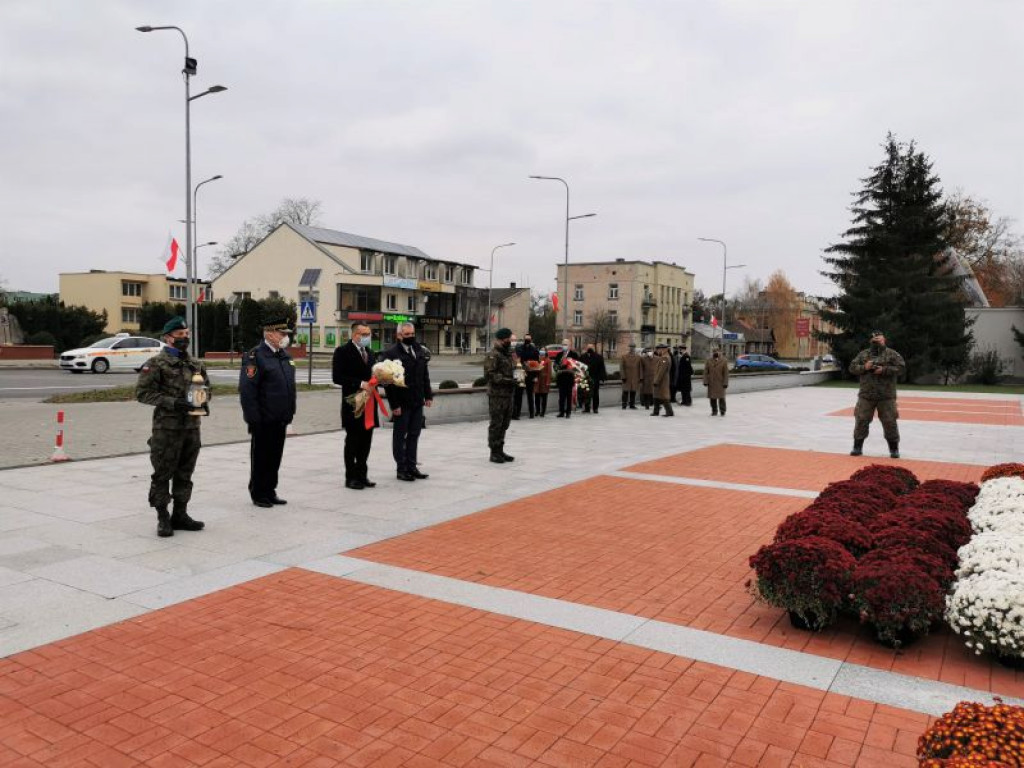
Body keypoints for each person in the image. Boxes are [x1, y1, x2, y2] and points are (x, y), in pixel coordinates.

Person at [135, 316, 208, 537]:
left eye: (186, 335)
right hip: (167, 429)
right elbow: (142, 393)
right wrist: (173, 402)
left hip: (191, 428)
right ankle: (163, 517)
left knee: (185, 473)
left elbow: (206, 387)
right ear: (168, 338)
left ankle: (180, 514)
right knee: (162, 473)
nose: (184, 339)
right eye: (179, 335)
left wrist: (204, 401)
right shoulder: (156, 364)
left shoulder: (195, 364)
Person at [239, 315, 297, 508]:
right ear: (270, 334)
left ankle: (270, 490)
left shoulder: (283, 355)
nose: (285, 336)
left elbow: (289, 387)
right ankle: (258, 492)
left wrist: (290, 412)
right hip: (263, 419)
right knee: (261, 457)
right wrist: (253, 419)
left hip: (280, 417)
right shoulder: (256, 356)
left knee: (275, 456)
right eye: (282, 333)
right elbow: (248, 391)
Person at [381, 322, 433, 481]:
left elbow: (424, 374)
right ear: (399, 336)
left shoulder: (419, 349)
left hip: (417, 401)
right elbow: (388, 383)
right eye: (407, 334)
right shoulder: (390, 354)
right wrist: (394, 405)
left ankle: (412, 466)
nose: (411, 337)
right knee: (400, 436)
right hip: (402, 403)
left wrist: (428, 395)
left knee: (414, 434)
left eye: (412, 334)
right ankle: (401, 468)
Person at [332, 323, 380, 490]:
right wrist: (360, 383)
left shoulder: (370, 353)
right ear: (354, 334)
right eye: (363, 333)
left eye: (369, 334)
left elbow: (373, 375)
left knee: (366, 442)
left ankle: (362, 474)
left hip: (369, 404)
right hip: (353, 404)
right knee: (353, 442)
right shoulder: (342, 352)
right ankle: (350, 477)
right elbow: (337, 377)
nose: (367, 337)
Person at [848, 330, 906, 458]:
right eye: (874, 340)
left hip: (886, 396)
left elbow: (901, 368)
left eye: (879, 340)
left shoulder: (892, 354)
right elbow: (852, 368)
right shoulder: (863, 354)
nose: (876, 342)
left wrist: (884, 370)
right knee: (861, 420)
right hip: (866, 396)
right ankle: (857, 447)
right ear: (870, 341)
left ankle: (894, 449)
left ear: (884, 340)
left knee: (890, 422)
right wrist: (865, 367)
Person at [484, 328, 516, 463]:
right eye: (509, 338)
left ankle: (500, 450)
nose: (511, 341)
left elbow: (513, 370)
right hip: (497, 395)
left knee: (505, 424)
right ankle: (494, 452)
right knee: (496, 424)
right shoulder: (494, 354)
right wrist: (509, 380)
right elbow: (490, 375)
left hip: (508, 394)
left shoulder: (508, 354)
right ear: (503, 339)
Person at [513, 334, 541, 419]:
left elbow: (537, 363)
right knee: (518, 394)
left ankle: (531, 413)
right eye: (526, 339)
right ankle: (517, 414)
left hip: (530, 374)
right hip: (521, 374)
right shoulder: (520, 348)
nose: (527, 340)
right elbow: (518, 358)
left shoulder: (534, 350)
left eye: (528, 339)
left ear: (531, 339)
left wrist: (536, 375)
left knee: (530, 394)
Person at [553, 339, 579, 418]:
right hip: (561, 378)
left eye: (566, 344)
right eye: (563, 344)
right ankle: (561, 412)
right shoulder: (559, 355)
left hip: (569, 378)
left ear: (569, 345)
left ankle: (568, 412)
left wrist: (571, 368)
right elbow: (555, 365)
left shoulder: (574, 354)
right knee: (561, 397)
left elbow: (576, 366)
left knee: (568, 396)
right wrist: (557, 368)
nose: (564, 346)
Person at [580, 344, 607, 414]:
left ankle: (595, 408)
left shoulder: (599, 357)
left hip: (595, 378)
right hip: (585, 378)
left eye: (591, 348)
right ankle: (587, 408)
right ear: (586, 348)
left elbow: (602, 368)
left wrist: (602, 378)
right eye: (588, 348)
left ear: (593, 348)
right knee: (585, 393)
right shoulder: (582, 357)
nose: (589, 349)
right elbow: (579, 367)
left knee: (595, 394)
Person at [703, 347, 729, 416]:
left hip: (720, 382)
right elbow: (706, 372)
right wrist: (705, 381)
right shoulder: (708, 360)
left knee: (721, 397)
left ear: (720, 352)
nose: (715, 353)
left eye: (717, 351)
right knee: (712, 398)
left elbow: (726, 373)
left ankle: (722, 410)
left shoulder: (724, 361)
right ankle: (714, 411)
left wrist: (725, 383)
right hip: (711, 382)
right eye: (714, 351)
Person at [651, 344, 675, 416]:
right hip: (662, 379)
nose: (658, 351)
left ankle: (669, 412)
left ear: (665, 349)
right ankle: (656, 411)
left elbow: (661, 371)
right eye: (658, 349)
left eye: (660, 349)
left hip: (662, 380)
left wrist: (656, 381)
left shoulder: (665, 358)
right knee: (657, 395)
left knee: (664, 396)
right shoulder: (665, 357)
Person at [620, 343, 642, 409]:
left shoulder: (638, 357)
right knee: (625, 392)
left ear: (635, 348)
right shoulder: (624, 356)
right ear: (629, 348)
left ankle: (632, 405)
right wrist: (623, 376)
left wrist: (641, 377)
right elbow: (622, 367)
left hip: (635, 377)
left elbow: (640, 368)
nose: (632, 348)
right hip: (627, 377)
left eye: (633, 347)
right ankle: (624, 404)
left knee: (633, 391)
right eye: (630, 347)